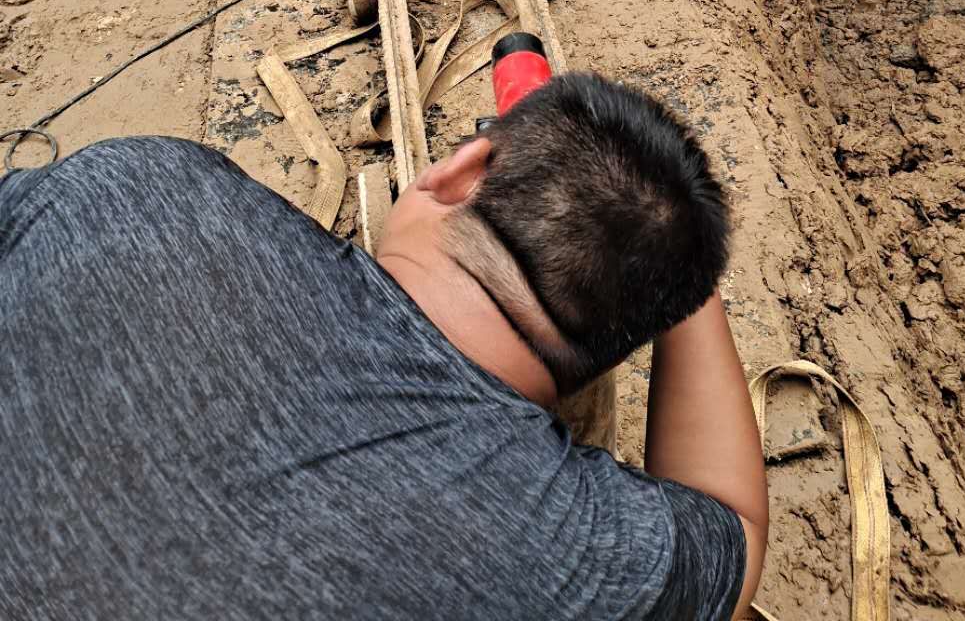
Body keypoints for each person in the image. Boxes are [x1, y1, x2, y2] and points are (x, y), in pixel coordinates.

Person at [0, 74, 768, 620]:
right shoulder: (578, 549)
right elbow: (734, 527)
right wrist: (682, 273)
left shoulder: (142, 190)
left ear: (460, 171)